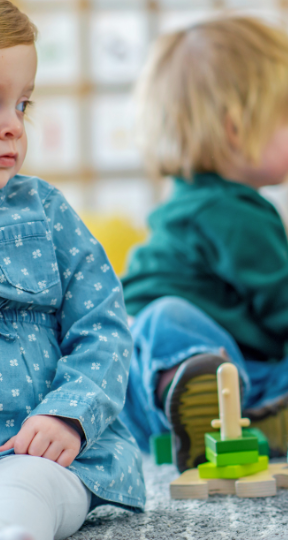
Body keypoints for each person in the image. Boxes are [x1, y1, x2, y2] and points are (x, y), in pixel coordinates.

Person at [118, 15, 288, 473]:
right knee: (168, 318)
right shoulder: (236, 213)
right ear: (236, 128)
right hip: (176, 376)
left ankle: (240, 422)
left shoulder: (186, 201)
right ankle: (206, 401)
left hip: (147, 397)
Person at [0, 2, 144, 539]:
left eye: (22, 105)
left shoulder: (46, 211)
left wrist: (69, 414)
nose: (12, 126)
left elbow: (103, 328)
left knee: (25, 498)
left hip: (36, 454)